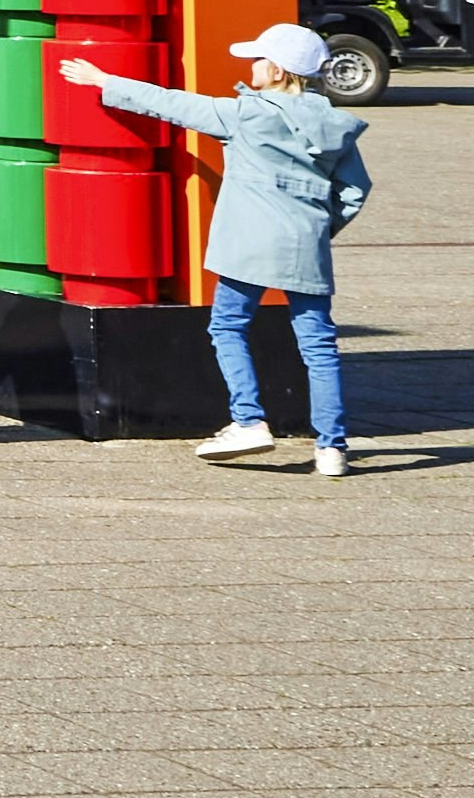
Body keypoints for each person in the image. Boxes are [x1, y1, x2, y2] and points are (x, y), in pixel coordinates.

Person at [57, 24, 372, 476]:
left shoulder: (246, 115)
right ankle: (332, 449)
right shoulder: (335, 127)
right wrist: (321, 227)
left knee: (227, 326)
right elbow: (355, 190)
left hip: (248, 243)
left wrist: (103, 80)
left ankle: (248, 421)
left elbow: (172, 104)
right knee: (318, 346)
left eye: (258, 60)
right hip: (307, 244)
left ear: (277, 70)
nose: (251, 67)